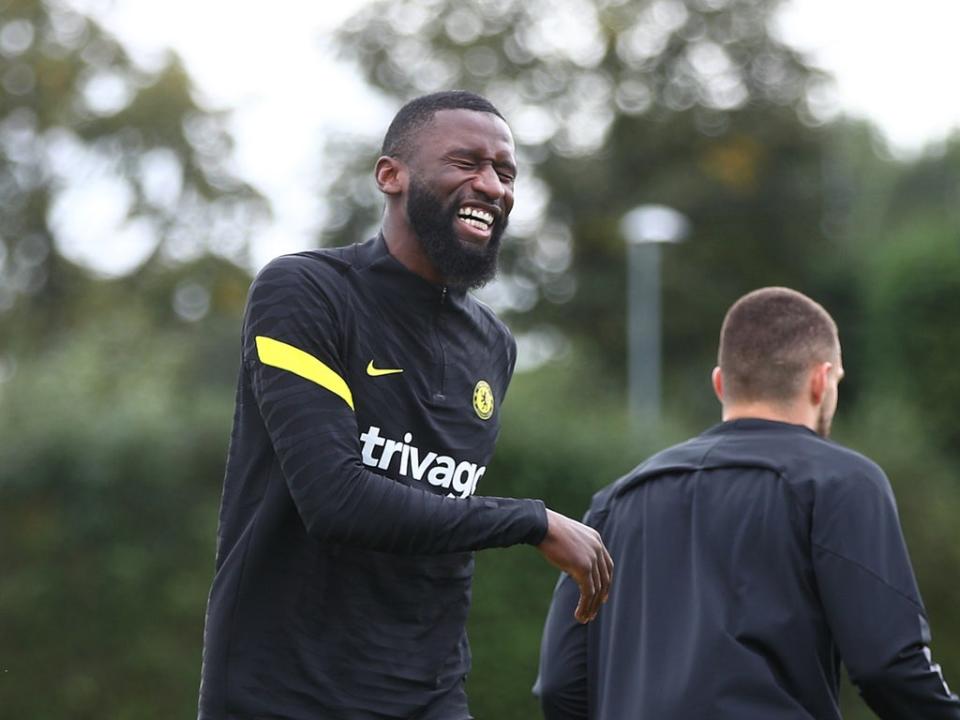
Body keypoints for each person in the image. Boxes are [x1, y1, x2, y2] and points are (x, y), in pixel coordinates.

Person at [197, 90, 612, 720]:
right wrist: (533, 520)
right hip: (282, 695)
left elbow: (437, 516)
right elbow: (335, 499)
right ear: (391, 175)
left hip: (429, 695)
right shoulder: (305, 291)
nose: (491, 186)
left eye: (505, 173)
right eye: (466, 163)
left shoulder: (494, 344)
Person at [535, 287, 960, 719]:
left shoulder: (614, 501)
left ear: (721, 383)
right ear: (821, 380)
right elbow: (888, 667)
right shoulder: (841, 481)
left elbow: (559, 684)